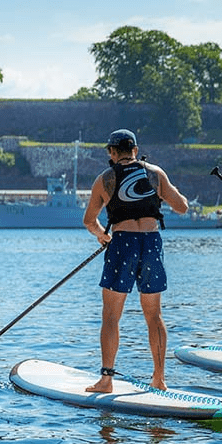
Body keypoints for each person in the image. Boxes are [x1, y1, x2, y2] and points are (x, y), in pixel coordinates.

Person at [83, 129, 188, 393]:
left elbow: (88, 221)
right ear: (135, 149)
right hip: (151, 243)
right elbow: (183, 207)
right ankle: (159, 379)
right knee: (154, 315)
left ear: (112, 152)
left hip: (122, 244)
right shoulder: (155, 173)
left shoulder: (104, 179)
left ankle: (107, 380)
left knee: (111, 316)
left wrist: (102, 236)